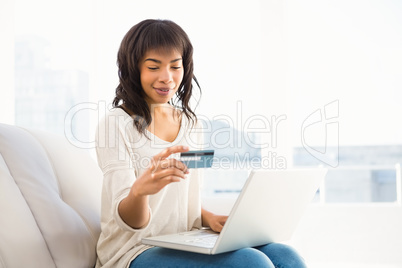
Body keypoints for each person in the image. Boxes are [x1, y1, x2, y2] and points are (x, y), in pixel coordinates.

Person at [95, 19, 307, 268]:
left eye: (175, 67)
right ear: (133, 69)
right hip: (133, 251)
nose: (167, 78)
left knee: (286, 257)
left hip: (183, 240)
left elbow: (185, 197)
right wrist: (140, 191)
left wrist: (210, 218)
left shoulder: (192, 124)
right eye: (154, 67)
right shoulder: (115, 124)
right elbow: (130, 220)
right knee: (252, 263)